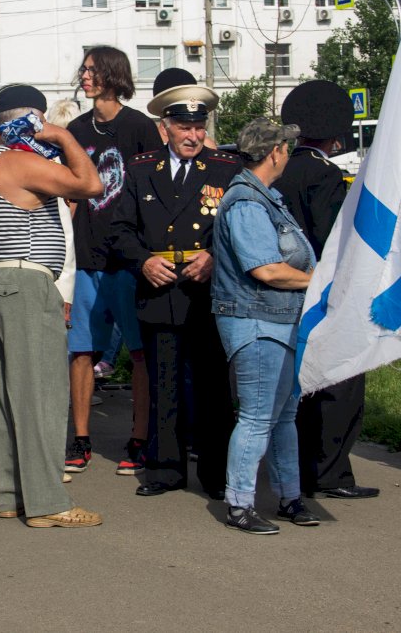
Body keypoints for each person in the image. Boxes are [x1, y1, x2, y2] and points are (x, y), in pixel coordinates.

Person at [0, 84, 104, 526]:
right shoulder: (20, 161)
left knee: (4, 394)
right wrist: (62, 138)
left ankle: (9, 494)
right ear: (31, 121)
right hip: (24, 281)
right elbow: (91, 184)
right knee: (41, 396)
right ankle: (48, 503)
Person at [111, 71, 240, 500]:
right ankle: (165, 468)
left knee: (213, 386)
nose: (193, 135)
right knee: (164, 382)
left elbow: (240, 226)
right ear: (165, 128)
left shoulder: (225, 168)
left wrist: (215, 257)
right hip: (160, 288)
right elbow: (120, 229)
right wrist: (144, 262)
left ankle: (216, 473)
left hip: (207, 292)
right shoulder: (141, 170)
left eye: (200, 127)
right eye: (184, 127)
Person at [211, 118, 321, 535]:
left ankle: (290, 496)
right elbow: (267, 270)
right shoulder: (246, 203)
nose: (289, 153)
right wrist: (324, 282)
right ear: (274, 152)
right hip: (257, 323)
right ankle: (239, 504)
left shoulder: (266, 198)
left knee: (284, 414)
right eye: (287, 147)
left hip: (279, 319)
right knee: (258, 417)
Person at [276, 81, 380, 501]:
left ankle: (297, 467)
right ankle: (331, 473)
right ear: (336, 135)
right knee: (340, 383)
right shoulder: (324, 173)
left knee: (296, 386)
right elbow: (333, 237)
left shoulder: (282, 170)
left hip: (283, 291)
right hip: (323, 290)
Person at [64, 45, 163, 475]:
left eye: (91, 70)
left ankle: (139, 437)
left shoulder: (140, 126)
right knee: (81, 350)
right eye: (83, 70)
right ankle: (81, 438)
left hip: (128, 259)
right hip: (87, 256)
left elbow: (153, 192)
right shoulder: (75, 128)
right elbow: (69, 193)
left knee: (138, 351)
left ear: (111, 75)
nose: (84, 77)